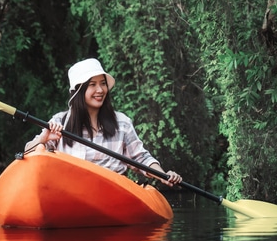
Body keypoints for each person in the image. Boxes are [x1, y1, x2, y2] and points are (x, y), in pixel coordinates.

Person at [24, 58, 182, 186]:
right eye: (92, 85)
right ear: (78, 92)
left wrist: (163, 175)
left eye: (103, 83)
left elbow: (141, 159)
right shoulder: (59, 122)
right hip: (70, 189)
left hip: (112, 191)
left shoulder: (122, 123)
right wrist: (43, 140)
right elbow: (27, 155)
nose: (100, 90)